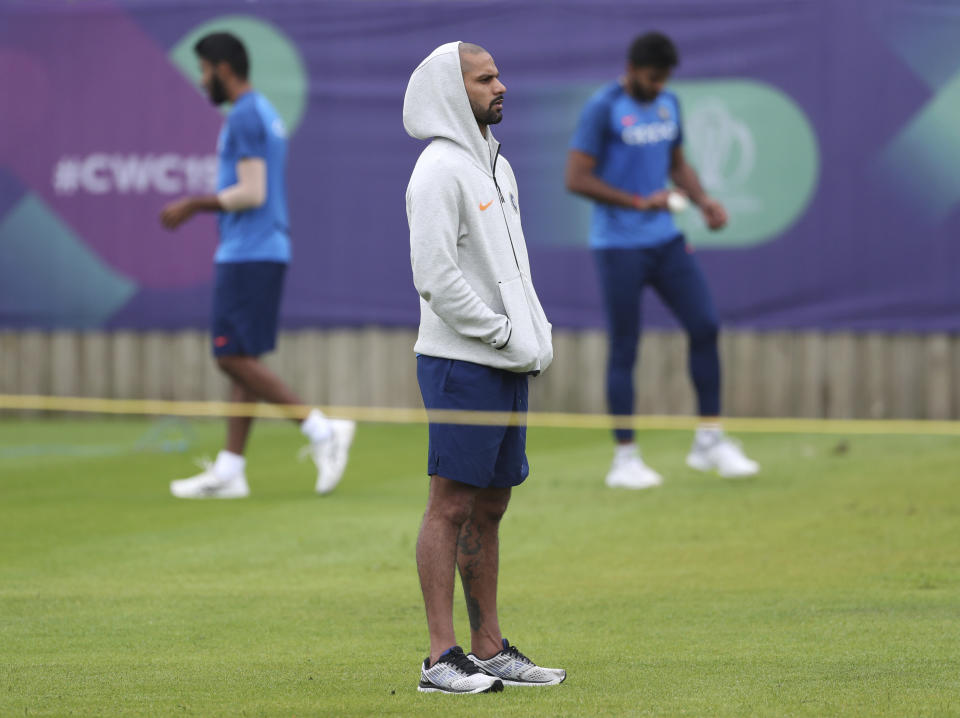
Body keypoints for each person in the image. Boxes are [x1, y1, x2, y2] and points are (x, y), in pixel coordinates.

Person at [403, 41, 565, 694]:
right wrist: (502, 333)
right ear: (452, 89)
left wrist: (530, 333)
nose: (502, 86)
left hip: (503, 361)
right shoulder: (438, 169)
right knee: (450, 506)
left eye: (499, 75)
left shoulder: (497, 165)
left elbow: (512, 270)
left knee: (491, 505)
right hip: (460, 362)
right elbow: (435, 279)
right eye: (485, 78)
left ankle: (489, 649)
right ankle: (441, 659)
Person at [159, 32, 354, 499]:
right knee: (243, 359)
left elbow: (252, 191)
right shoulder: (261, 110)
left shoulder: (245, 114)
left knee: (230, 356)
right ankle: (231, 469)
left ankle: (321, 430)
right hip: (263, 249)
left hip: (249, 252)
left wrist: (193, 204)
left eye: (204, 70)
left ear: (224, 68)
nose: (203, 80)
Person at [565, 31, 759, 489]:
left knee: (706, 326)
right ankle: (624, 458)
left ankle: (709, 441)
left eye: (663, 79)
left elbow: (677, 162)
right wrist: (638, 202)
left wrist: (703, 200)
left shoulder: (670, 102)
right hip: (618, 245)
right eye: (651, 79)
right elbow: (576, 178)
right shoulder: (603, 107)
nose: (657, 86)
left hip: (666, 240)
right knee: (625, 347)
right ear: (632, 69)